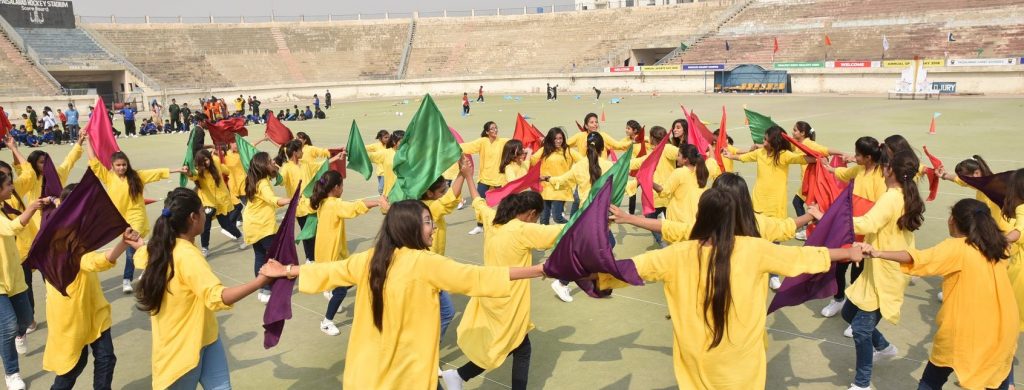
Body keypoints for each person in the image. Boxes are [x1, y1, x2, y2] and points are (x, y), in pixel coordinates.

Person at [259, 199, 547, 389]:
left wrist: (286, 270)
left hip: (368, 374)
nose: (433, 228)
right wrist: (537, 270)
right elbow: (476, 277)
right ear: (409, 226)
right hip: (409, 372)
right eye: (427, 221)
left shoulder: (372, 258)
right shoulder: (426, 263)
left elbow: (328, 271)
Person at [603, 186, 863, 389]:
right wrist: (849, 252)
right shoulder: (755, 249)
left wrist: (585, 271)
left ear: (700, 217)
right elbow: (805, 258)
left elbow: (624, 269)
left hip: (697, 361)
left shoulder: (676, 254)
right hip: (743, 362)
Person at [866, 198, 1016, 390]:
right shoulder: (1000, 246)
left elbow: (919, 258)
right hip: (1003, 327)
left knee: (932, 380)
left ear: (953, 221)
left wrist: (878, 253)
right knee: (996, 377)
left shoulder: (958, 248)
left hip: (965, 330)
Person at [808, 150, 924, 390]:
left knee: (860, 329)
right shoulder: (901, 193)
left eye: (885, 166)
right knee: (850, 314)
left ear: (889, 171)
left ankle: (862, 383)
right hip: (878, 267)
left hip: (886, 271)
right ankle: (884, 347)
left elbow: (868, 223)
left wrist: (826, 217)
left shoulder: (892, 197)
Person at [133, 188, 269, 389]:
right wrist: (261, 281)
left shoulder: (159, 246)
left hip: (206, 337)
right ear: (193, 218)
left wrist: (137, 244)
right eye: (203, 212)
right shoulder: (187, 255)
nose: (207, 216)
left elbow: (143, 253)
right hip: (183, 351)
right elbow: (218, 296)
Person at [442, 191, 561, 390]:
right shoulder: (522, 230)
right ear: (531, 213)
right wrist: (597, 219)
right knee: (514, 346)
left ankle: (458, 375)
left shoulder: (494, 220)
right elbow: (565, 231)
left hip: (490, 295)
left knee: (514, 344)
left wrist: (469, 176)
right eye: (538, 217)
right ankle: (459, 375)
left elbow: (479, 203)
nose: (537, 221)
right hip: (509, 300)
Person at [44, 185, 137, 390]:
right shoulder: (59, 239)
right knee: (73, 367)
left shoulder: (77, 230)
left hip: (94, 308)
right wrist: (123, 243)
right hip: (71, 314)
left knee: (106, 358)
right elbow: (93, 261)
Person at [87, 149, 186, 293]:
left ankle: (127, 279)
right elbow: (94, 162)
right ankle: (150, 265)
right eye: (118, 165)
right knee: (133, 247)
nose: (121, 168)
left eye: (124, 165)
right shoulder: (108, 177)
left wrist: (177, 169)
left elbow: (156, 173)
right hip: (119, 219)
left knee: (130, 246)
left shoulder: (136, 176)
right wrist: (88, 139)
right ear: (112, 166)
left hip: (136, 217)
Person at [307, 170, 384, 335]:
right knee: (342, 288)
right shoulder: (335, 204)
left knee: (352, 278)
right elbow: (355, 207)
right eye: (342, 186)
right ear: (335, 188)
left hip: (328, 253)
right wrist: (378, 202)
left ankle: (330, 290)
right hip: (333, 256)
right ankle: (326, 322)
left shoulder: (322, 202)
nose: (343, 189)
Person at [819, 136, 886, 324]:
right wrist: (830, 168)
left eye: (857, 155)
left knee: (858, 273)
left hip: (865, 232)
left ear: (868, 157)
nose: (854, 157)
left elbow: (879, 210)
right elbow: (843, 173)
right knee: (839, 267)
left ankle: (854, 310)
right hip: (849, 229)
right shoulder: (859, 169)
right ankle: (838, 298)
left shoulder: (881, 177)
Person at [0, 169, 50, 390]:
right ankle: (12, 373)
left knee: (26, 319)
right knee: (8, 327)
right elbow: (12, 228)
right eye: (8, 185)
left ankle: (14, 336)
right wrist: (30, 208)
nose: (12, 187)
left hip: (15, 276)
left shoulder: (4, 207)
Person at [242, 152, 291, 303]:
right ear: (263, 166)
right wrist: (291, 199)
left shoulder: (253, 179)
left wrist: (276, 167)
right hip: (263, 226)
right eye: (270, 161)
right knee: (274, 257)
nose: (272, 163)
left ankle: (262, 288)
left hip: (252, 224)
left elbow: (275, 175)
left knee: (259, 256)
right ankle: (269, 289)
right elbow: (272, 199)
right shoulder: (262, 183)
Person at [189, 149, 246, 256]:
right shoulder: (198, 171)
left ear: (209, 158)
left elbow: (226, 171)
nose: (204, 163)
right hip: (207, 202)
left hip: (221, 201)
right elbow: (193, 176)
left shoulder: (215, 161)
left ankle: (240, 237)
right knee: (205, 226)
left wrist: (224, 169)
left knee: (226, 225)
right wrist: (188, 172)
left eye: (206, 160)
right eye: (201, 162)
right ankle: (205, 247)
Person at [460, 122, 509, 235]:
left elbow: (516, 144)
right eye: (492, 129)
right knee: (479, 202)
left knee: (504, 203)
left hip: (499, 179)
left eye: (496, 128)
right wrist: (453, 144)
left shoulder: (502, 142)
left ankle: (503, 223)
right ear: (487, 132)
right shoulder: (482, 142)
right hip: (484, 179)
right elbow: (467, 146)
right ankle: (480, 225)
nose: (495, 130)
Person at [531, 127, 581, 225]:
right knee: (543, 219)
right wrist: (526, 154)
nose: (558, 141)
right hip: (545, 189)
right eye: (555, 139)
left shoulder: (568, 151)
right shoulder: (544, 150)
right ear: (550, 139)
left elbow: (583, 162)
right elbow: (532, 161)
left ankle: (573, 230)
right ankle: (544, 239)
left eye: (560, 138)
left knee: (557, 217)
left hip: (560, 188)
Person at [369, 131, 403, 198]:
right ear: (394, 142)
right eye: (402, 142)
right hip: (390, 193)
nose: (404, 144)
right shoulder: (386, 153)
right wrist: (349, 152)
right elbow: (369, 156)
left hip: (405, 194)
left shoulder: (409, 154)